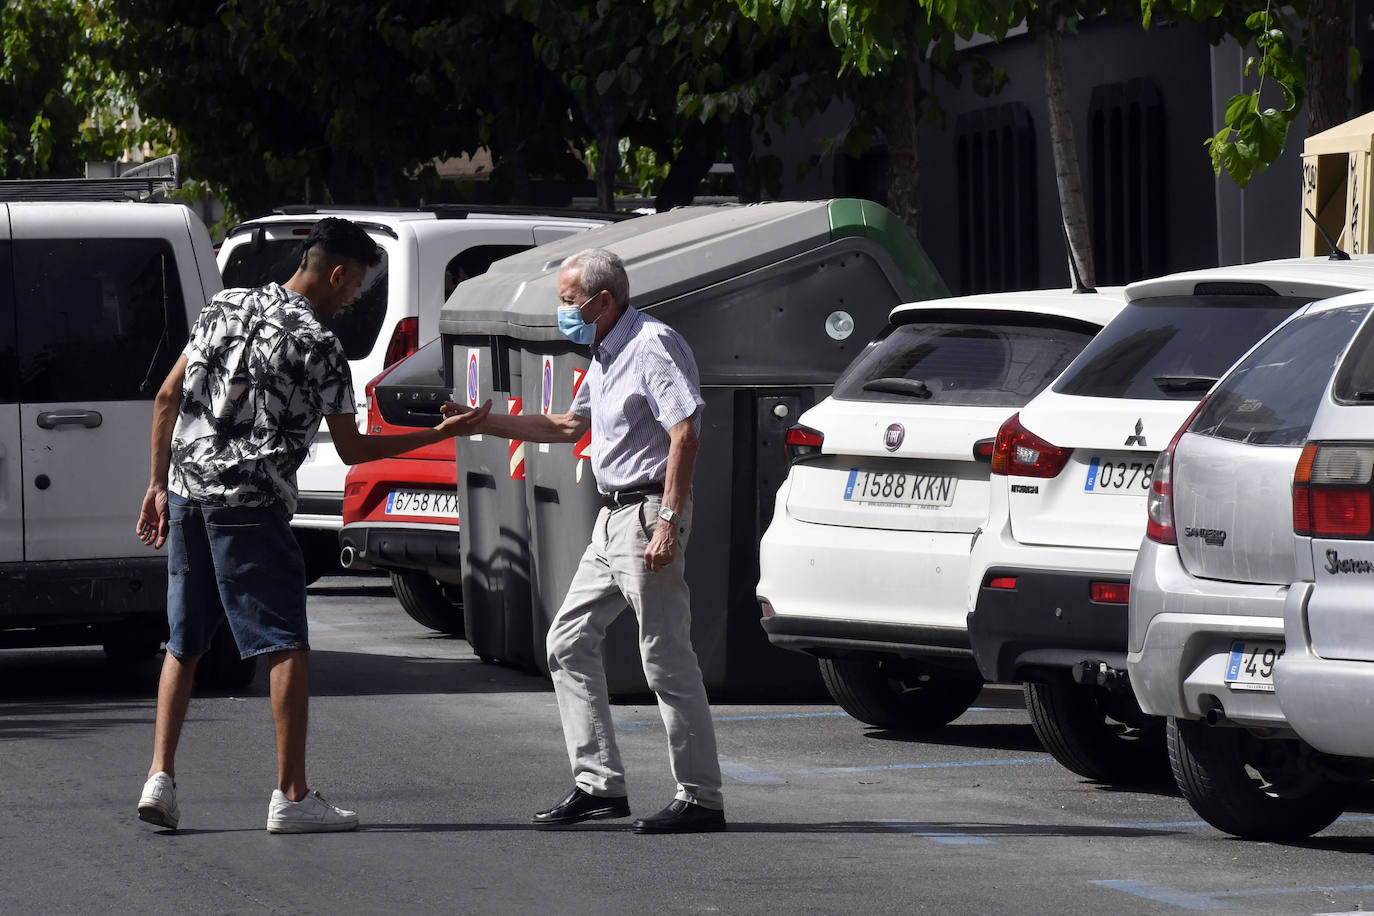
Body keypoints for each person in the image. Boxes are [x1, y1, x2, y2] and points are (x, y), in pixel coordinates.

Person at [134, 217, 489, 833]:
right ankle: (292, 796)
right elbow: (353, 449)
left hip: (189, 493)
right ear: (336, 274)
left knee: (184, 640)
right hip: (249, 504)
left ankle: (159, 778)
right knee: (283, 642)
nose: (355, 298)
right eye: (357, 287)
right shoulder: (319, 346)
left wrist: (156, 485)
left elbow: (167, 397)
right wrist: (441, 432)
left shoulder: (223, 306)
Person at [444, 247, 724, 834]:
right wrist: (484, 421)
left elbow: (686, 433)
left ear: (602, 301)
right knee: (567, 641)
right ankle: (598, 785)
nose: (561, 313)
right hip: (611, 518)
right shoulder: (606, 351)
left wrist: (669, 520)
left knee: (665, 657)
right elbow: (571, 425)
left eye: (568, 302)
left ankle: (701, 797)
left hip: (648, 512)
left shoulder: (651, 345)